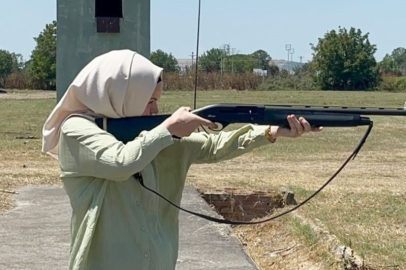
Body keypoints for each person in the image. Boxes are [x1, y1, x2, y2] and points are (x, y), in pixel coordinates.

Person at [41, 49, 322, 270]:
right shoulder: (75, 128)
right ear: (120, 94)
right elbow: (120, 162)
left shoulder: (153, 134)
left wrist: (271, 131)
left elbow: (215, 145)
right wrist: (168, 129)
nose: (155, 110)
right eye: (149, 100)